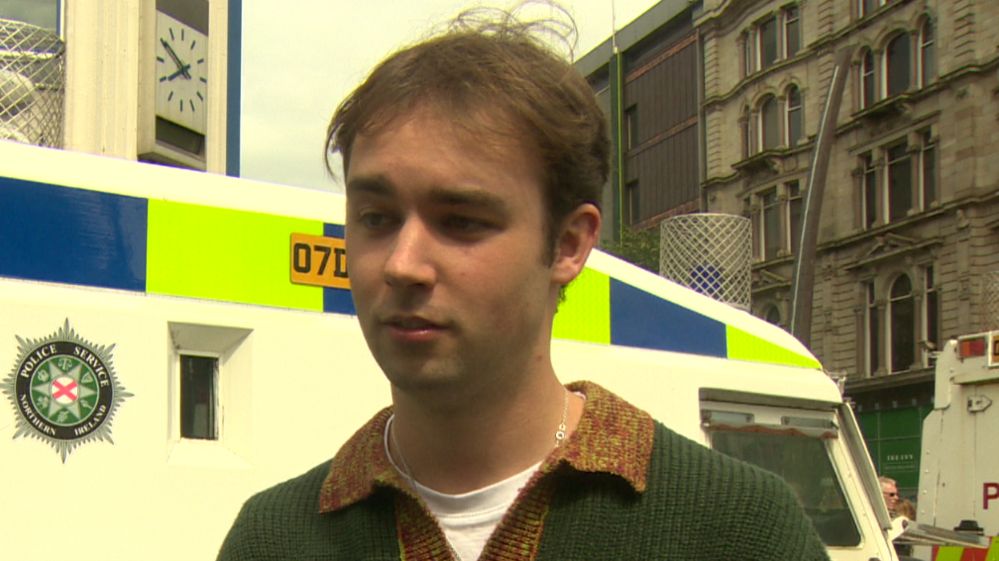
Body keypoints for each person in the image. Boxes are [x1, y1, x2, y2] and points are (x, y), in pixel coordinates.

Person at [217, 4, 830, 560]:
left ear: (568, 244)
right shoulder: (273, 539)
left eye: (461, 221)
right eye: (376, 218)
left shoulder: (739, 529)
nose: (402, 263)